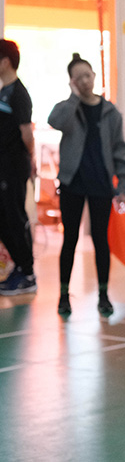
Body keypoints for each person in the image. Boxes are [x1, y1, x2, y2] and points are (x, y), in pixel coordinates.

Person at [48, 53, 125, 316]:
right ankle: (64, 295)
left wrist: (122, 185)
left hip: (100, 185)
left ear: (94, 76)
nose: (84, 81)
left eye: (87, 75)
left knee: (100, 239)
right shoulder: (68, 108)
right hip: (72, 184)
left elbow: (120, 150)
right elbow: (55, 121)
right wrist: (73, 98)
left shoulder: (110, 112)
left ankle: (103, 295)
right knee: (70, 239)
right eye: (78, 78)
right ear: (72, 82)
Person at [0, 39, 37, 296]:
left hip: (14, 166)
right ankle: (19, 267)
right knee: (3, 218)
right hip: (3, 166)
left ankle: (28, 273)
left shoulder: (19, 94)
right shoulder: (4, 91)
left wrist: (30, 159)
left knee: (15, 218)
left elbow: (27, 134)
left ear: (5, 62)